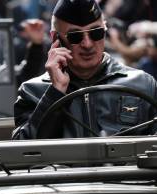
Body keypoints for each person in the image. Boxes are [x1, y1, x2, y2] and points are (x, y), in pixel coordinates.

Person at [13, 0, 157, 140]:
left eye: (96, 33)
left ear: (105, 29)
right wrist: (55, 92)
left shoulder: (142, 84)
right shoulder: (32, 91)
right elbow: (22, 152)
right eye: (75, 36)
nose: (87, 44)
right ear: (56, 38)